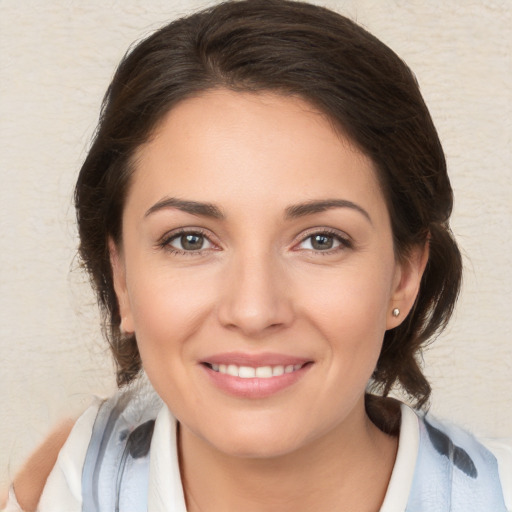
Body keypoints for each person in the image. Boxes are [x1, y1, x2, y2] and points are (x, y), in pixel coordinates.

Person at [2, 0, 510, 511]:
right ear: (122, 277)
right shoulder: (54, 484)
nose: (253, 311)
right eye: (190, 240)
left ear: (404, 274)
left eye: (321, 240)